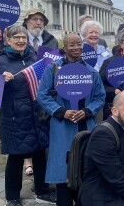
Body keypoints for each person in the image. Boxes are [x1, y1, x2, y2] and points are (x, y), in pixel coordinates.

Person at [0, 8, 59, 177]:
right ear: (8, 40)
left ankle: (42, 190)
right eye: (16, 38)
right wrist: (0, 79)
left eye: (23, 38)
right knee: (16, 158)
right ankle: (12, 197)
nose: (20, 40)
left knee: (40, 154)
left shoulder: (35, 58)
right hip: (15, 116)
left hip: (37, 114)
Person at [37, 33, 105, 206]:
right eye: (71, 45)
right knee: (63, 173)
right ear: (64, 48)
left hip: (86, 126)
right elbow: (42, 96)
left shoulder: (91, 72)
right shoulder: (52, 69)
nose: (76, 48)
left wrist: (88, 111)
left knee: (86, 172)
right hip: (62, 127)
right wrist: (61, 111)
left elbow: (100, 97)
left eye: (79, 44)